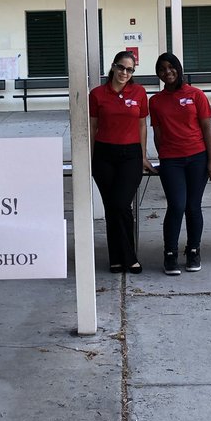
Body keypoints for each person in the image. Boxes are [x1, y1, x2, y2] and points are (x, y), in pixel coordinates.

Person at [148, 52, 211, 276]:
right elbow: (157, 134)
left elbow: (207, 128)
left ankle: (193, 250)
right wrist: (164, 157)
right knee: (177, 205)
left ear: (178, 68)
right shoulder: (155, 101)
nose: (167, 72)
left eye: (171, 67)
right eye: (162, 69)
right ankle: (170, 254)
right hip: (171, 161)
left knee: (193, 206)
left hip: (197, 158)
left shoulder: (196, 95)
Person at [89, 51, 151, 274]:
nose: (125, 73)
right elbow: (92, 127)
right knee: (111, 208)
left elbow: (142, 125)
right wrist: (91, 157)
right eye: (121, 67)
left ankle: (129, 256)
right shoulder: (97, 94)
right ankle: (116, 258)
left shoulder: (139, 92)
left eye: (130, 69)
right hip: (104, 155)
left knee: (121, 204)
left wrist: (143, 155)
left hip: (131, 155)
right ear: (113, 67)